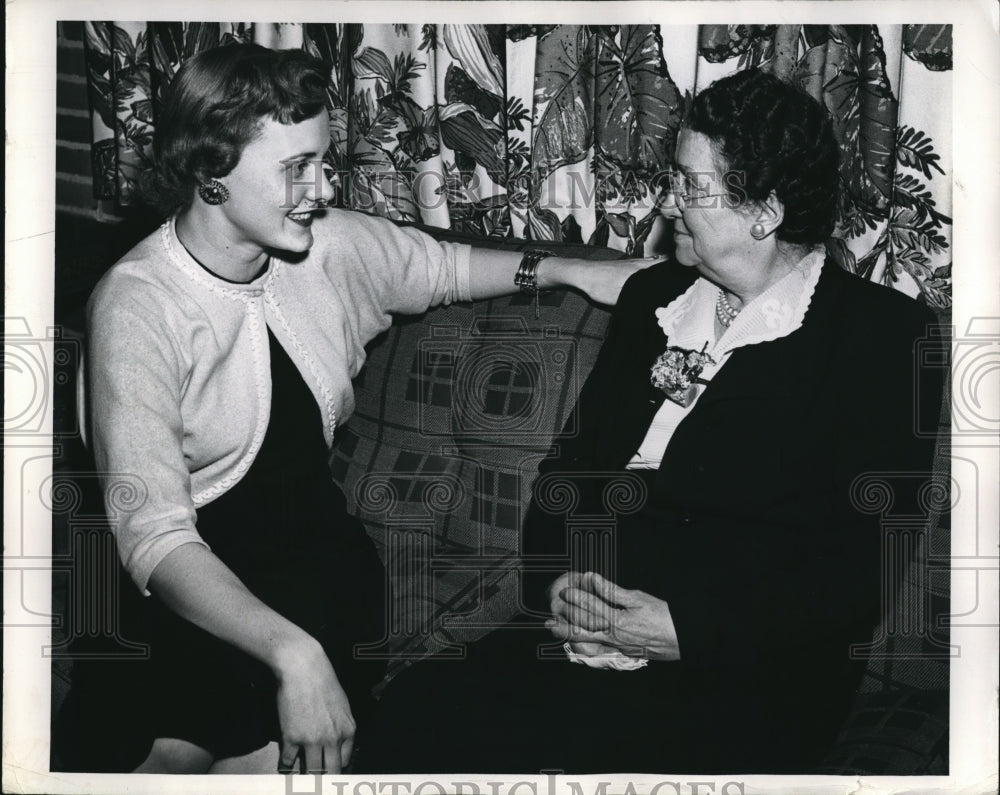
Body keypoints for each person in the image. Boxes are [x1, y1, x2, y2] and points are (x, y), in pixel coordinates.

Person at [70, 43, 655, 775]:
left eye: (323, 160)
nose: (320, 188)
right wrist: (294, 654)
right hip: (188, 586)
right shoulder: (136, 304)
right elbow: (152, 535)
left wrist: (572, 268)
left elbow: (441, 266)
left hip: (315, 572)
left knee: (248, 766)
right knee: (153, 756)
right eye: (295, 168)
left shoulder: (324, 244)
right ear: (211, 171)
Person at [359, 68, 945, 774]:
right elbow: (564, 479)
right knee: (417, 710)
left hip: (742, 666)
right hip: (588, 626)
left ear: (765, 211)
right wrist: (559, 585)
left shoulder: (882, 337)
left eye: (691, 185)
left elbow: (862, 567)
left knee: (578, 748)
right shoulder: (655, 300)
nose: (669, 200)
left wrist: (683, 629)